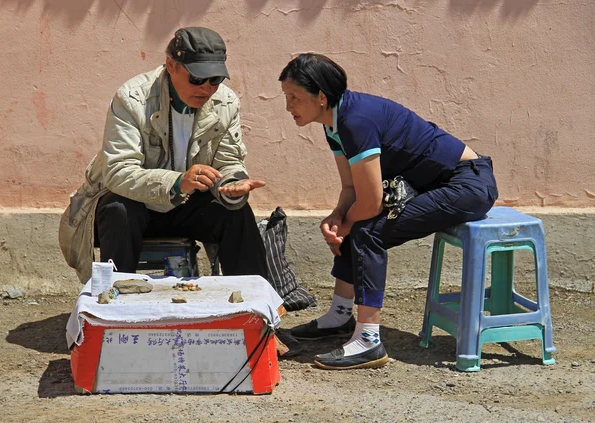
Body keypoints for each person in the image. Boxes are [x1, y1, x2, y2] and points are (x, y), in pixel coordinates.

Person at [279, 54, 498, 370]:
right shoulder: (334, 123)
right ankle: (339, 317)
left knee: (367, 230)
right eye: (287, 97)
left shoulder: (355, 121)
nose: (289, 106)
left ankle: (368, 341)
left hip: (467, 184)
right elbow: (353, 191)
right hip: (439, 184)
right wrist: (338, 216)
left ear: (321, 97)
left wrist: (348, 222)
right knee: (356, 223)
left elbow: (370, 203)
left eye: (295, 97)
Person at [59, 27, 268, 284]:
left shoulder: (226, 103)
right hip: (134, 211)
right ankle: (115, 305)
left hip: (186, 207)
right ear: (171, 65)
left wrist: (232, 184)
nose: (206, 88)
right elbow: (118, 171)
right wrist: (178, 182)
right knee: (119, 209)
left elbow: (228, 161)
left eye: (214, 80)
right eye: (197, 79)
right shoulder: (132, 98)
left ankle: (255, 309)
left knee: (237, 213)